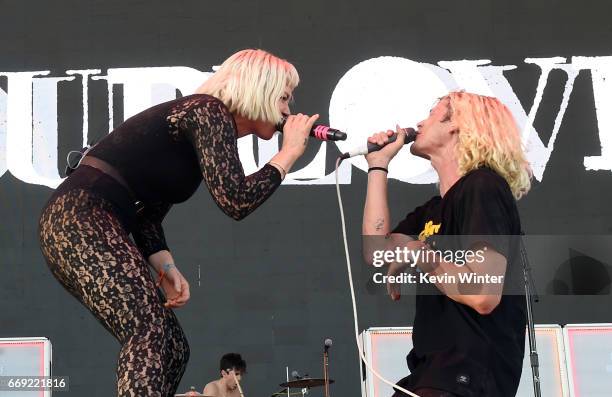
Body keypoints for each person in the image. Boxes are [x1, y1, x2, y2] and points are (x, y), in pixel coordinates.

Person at [38, 49, 318, 397]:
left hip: (90, 221)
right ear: (259, 89)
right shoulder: (208, 111)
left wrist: (166, 265)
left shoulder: (202, 127)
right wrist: (289, 152)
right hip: (79, 218)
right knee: (149, 329)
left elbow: (147, 214)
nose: (288, 110)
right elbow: (236, 200)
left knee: (173, 346)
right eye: (284, 97)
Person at [362, 91, 532, 396]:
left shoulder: (483, 187)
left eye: (431, 112)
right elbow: (377, 252)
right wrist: (378, 165)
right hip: (434, 371)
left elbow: (483, 294)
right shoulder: (434, 209)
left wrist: (420, 255)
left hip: (468, 372)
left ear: (457, 124)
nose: (419, 122)